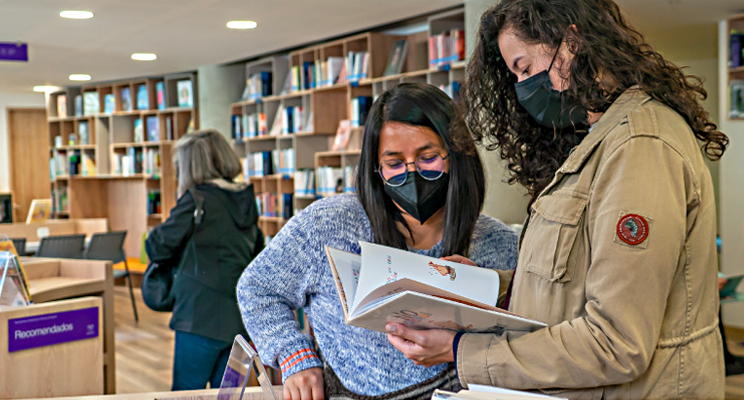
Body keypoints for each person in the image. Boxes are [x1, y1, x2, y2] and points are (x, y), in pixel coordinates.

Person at [385, 1, 729, 399]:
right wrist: (487, 287)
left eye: (525, 68)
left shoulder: (639, 147)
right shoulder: (600, 138)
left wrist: (462, 351)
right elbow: (576, 281)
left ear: (572, 41)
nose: (522, 88)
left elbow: (616, 343)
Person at [237, 83, 518, 400]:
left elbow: (520, 344)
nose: (411, 173)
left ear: (456, 155)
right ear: (375, 169)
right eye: (394, 164)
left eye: (427, 157)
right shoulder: (329, 224)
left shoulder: (499, 242)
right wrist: (295, 356)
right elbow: (258, 288)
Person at [146, 130, 264, 390]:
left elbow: (157, 247)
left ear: (190, 166)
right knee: (231, 395)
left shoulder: (196, 199)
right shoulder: (245, 198)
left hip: (198, 318)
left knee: (187, 394)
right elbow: (257, 252)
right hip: (239, 319)